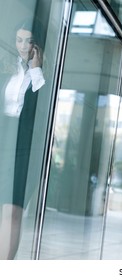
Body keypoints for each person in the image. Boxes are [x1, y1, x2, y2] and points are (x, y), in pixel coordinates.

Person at [0, 19, 45, 259]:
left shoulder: (42, 77)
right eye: (19, 40)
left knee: (12, 211)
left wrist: (36, 71)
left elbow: (42, 109)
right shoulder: (5, 69)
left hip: (24, 147)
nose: (23, 46)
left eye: (28, 41)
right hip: (2, 141)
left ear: (36, 45)